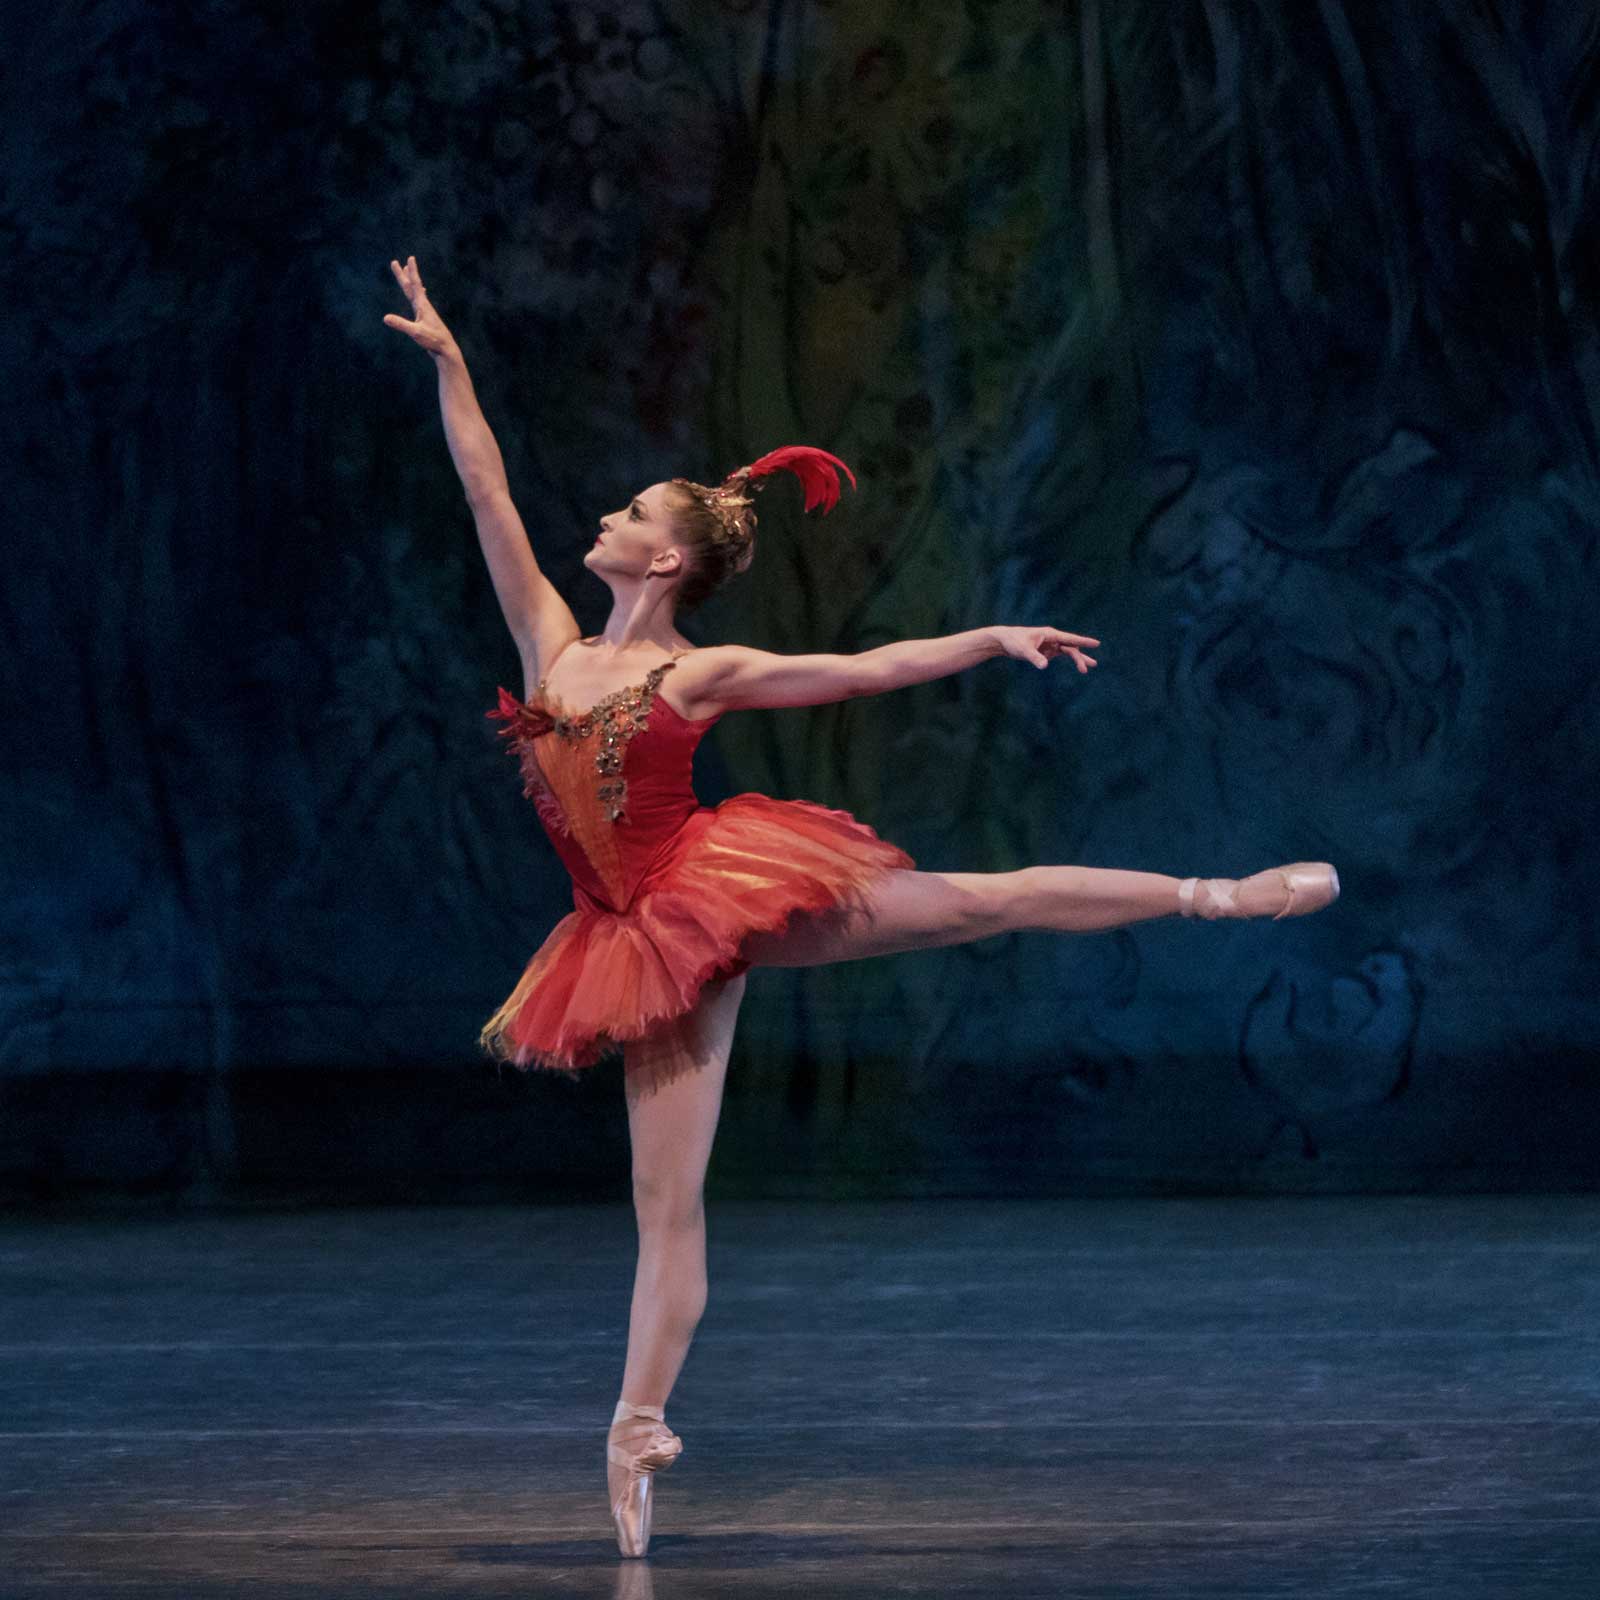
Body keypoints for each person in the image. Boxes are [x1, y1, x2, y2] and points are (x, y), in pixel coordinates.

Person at [383, 254, 1339, 1557]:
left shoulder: (696, 668)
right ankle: (636, 1426)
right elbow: (483, 489)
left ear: (663, 556)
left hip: (715, 892)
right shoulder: (552, 644)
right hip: (634, 943)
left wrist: (990, 639)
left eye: (626, 509)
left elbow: (860, 667)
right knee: (665, 1206)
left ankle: (1217, 895)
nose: (599, 516)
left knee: (973, 903)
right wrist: (454, 366)